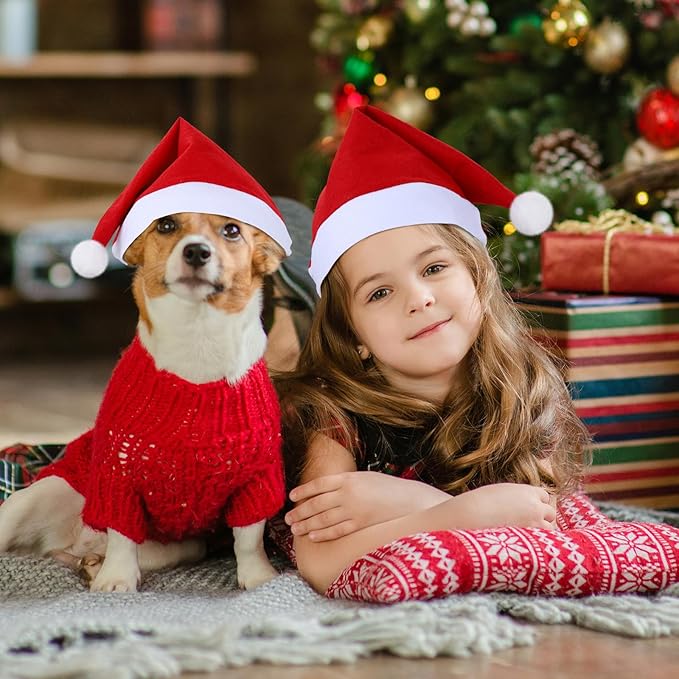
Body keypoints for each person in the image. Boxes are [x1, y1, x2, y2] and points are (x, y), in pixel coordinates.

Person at [275, 105, 591, 594]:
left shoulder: (523, 385)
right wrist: (466, 513)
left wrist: (405, 502)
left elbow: (537, 517)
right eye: (379, 293)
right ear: (353, 335)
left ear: (480, 278)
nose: (419, 299)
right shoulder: (332, 413)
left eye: (434, 268)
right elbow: (320, 561)